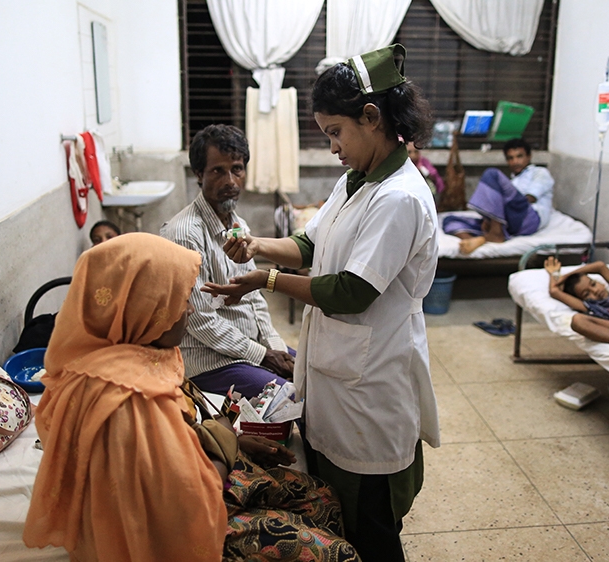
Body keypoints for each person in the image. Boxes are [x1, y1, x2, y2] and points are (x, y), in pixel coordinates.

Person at [203, 44, 439, 562]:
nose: (332, 145)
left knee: (373, 524)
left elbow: (352, 291)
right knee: (342, 511)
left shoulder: (399, 196)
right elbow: (311, 246)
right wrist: (259, 246)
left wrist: (265, 279)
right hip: (338, 371)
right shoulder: (353, 181)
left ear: (371, 117)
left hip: (371, 378)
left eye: (336, 132)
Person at [23, 233, 359, 562]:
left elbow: (164, 453)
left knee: (321, 496)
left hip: (188, 489)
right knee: (337, 551)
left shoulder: (123, 358)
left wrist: (234, 442)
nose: (187, 313)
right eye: (180, 302)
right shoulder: (130, 400)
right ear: (144, 307)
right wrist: (226, 447)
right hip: (165, 537)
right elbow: (183, 502)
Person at [161, 124, 294, 397]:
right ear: (199, 174)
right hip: (211, 360)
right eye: (217, 171)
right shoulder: (186, 235)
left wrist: (275, 345)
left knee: (314, 374)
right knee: (290, 395)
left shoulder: (237, 225)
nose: (230, 181)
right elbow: (199, 321)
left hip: (250, 347)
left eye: (236, 169)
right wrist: (262, 355)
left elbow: (255, 299)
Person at [442, 138, 555, 255]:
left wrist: (494, 215)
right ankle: (475, 240)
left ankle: (495, 233)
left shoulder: (539, 173)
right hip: (509, 223)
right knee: (449, 220)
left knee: (492, 174)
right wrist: (489, 217)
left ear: (529, 156)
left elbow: (530, 198)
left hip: (529, 218)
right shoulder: (514, 180)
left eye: (519, 156)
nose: (515, 161)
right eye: (510, 158)